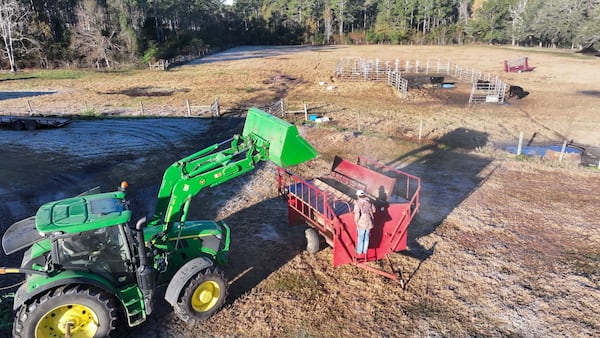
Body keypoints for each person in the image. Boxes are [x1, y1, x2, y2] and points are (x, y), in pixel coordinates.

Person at [354, 189, 375, 259]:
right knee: (367, 236)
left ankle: (359, 251)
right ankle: (365, 250)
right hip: (369, 222)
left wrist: (356, 222)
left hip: (362, 222)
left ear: (358, 196)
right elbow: (374, 210)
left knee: (361, 237)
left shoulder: (358, 203)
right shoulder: (369, 201)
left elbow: (357, 214)